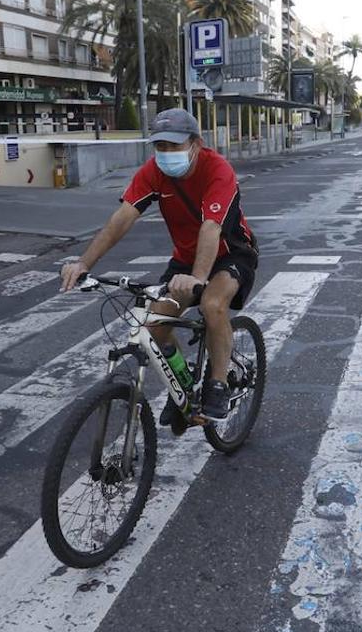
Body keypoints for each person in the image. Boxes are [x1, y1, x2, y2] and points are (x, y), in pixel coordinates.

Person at [60, 108, 258, 424]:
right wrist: (84, 263)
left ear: (196, 144)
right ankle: (183, 387)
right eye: (160, 146)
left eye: (174, 146)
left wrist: (197, 278)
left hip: (230, 254)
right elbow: (122, 218)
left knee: (212, 304)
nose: (166, 153)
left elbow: (210, 228)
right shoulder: (154, 171)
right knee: (154, 325)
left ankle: (218, 382)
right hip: (185, 260)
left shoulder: (217, 169)